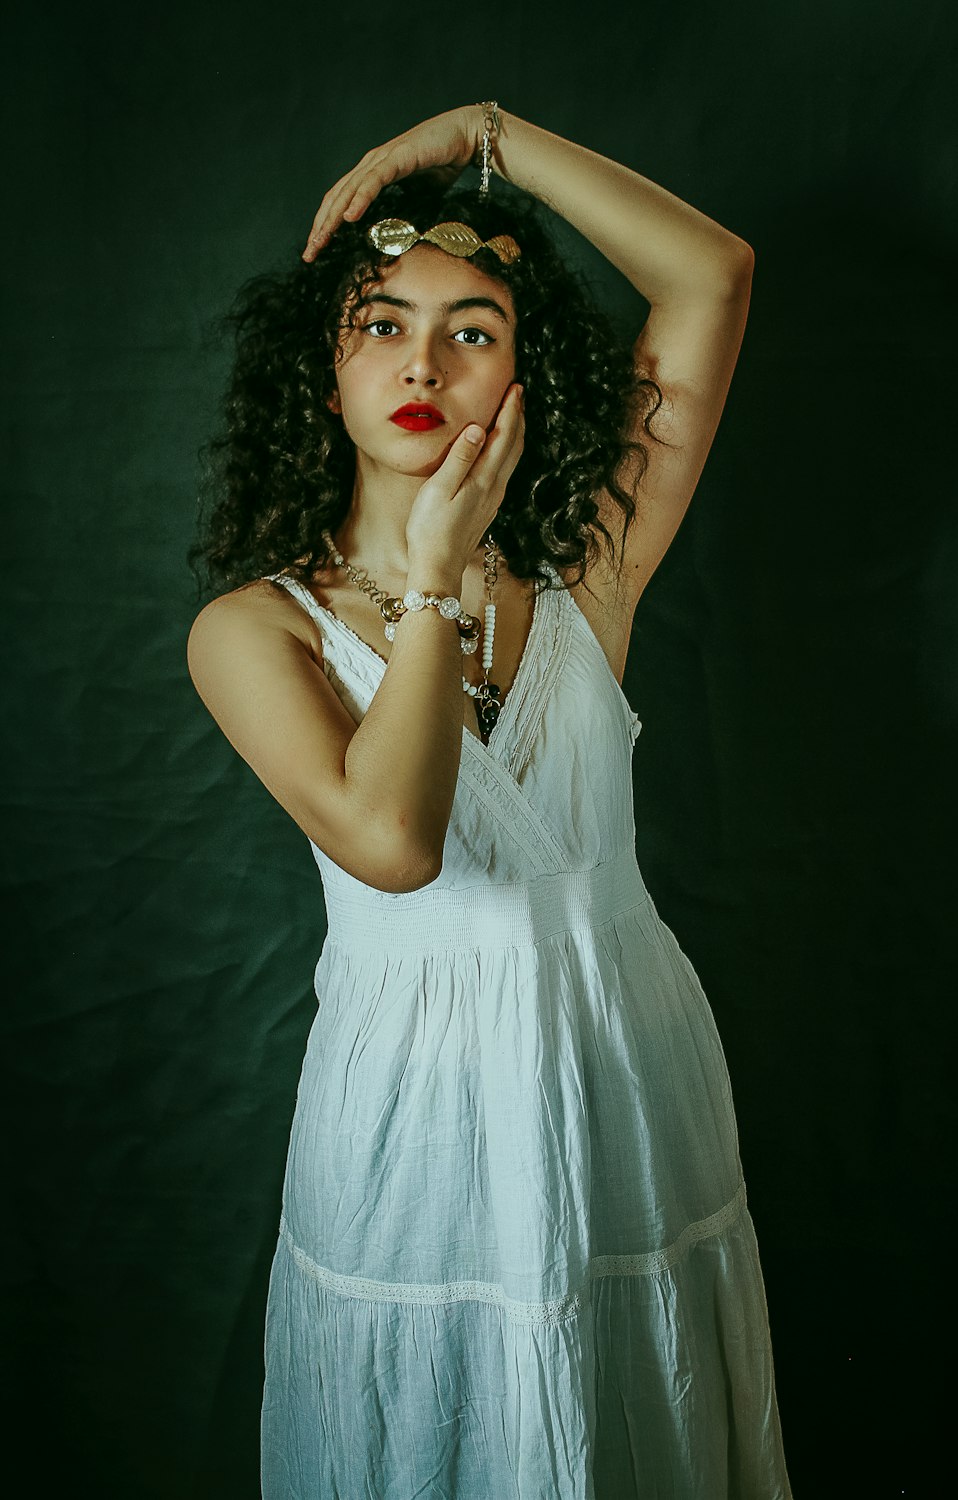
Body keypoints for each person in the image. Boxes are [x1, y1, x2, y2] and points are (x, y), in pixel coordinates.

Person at [187, 102, 793, 1499]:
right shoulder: (253, 632)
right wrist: (433, 580)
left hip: (631, 1084)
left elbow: (713, 278)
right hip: (416, 1126)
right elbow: (394, 844)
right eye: (382, 322)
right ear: (321, 373)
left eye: (474, 329)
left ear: (524, 379)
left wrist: (489, 136)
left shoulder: (592, 570)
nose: (425, 362)